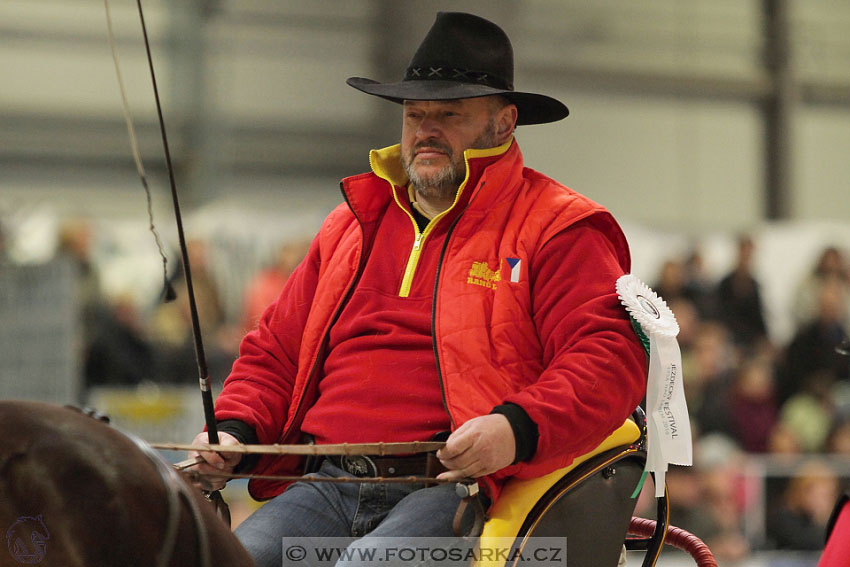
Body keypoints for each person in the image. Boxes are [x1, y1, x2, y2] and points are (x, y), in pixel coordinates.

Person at [190, 12, 646, 566]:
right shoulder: (349, 226)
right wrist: (234, 431)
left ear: (503, 124)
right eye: (414, 114)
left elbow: (607, 359)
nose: (425, 129)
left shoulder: (558, 227)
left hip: (455, 489)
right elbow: (274, 353)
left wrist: (514, 428)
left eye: (448, 114)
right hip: (325, 483)